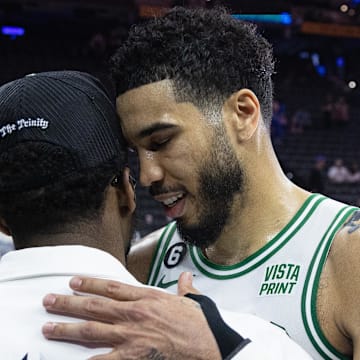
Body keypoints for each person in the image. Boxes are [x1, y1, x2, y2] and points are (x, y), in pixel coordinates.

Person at [40, 7, 360, 360]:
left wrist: (225, 350)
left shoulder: (347, 255)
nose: (147, 175)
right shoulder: (141, 266)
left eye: (161, 142)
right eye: (136, 153)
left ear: (243, 114)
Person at [0, 71, 311, 359]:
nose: (149, 175)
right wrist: (228, 347)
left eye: (161, 142)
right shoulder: (245, 342)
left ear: (2, 220)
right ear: (125, 191)